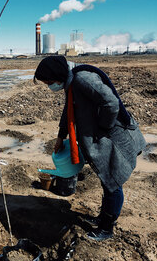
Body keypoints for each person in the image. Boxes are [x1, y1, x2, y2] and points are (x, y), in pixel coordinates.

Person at [34, 55, 146, 241]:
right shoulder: (71, 82)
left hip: (112, 140)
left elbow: (111, 103)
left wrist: (102, 128)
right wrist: (61, 136)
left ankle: (106, 228)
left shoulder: (83, 79)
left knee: (112, 182)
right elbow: (68, 110)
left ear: (57, 75)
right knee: (107, 181)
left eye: (49, 81)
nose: (49, 86)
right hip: (103, 139)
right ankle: (103, 217)